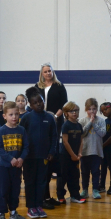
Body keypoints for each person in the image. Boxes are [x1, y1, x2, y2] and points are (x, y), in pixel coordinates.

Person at [20, 87, 57, 218]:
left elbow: (54, 136)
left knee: (42, 181)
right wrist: (22, 154)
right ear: (30, 104)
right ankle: (31, 207)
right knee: (30, 181)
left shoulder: (50, 118)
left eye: (40, 101)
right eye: (35, 103)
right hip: (29, 157)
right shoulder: (26, 118)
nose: (39, 104)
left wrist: (52, 151)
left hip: (44, 157)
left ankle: (39, 205)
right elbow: (21, 136)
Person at [36, 63, 68, 208]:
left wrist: (55, 116)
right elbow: (34, 103)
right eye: (46, 71)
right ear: (42, 74)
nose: (48, 73)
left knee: (53, 144)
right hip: (41, 120)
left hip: (56, 119)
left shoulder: (59, 86)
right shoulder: (37, 86)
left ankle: (53, 169)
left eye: (50, 71)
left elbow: (64, 104)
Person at [0, 102, 28, 219]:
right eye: (11, 114)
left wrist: (21, 159)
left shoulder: (22, 130)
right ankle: (1, 213)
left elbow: (26, 147)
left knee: (15, 189)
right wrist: (10, 159)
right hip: (4, 167)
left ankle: (13, 212)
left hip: (17, 167)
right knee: (3, 190)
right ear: (4, 116)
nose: (14, 117)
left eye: (16, 114)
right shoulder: (1, 130)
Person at [58, 102, 85, 204]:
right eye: (72, 111)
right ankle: (60, 196)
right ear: (66, 113)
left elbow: (81, 141)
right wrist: (72, 155)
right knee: (63, 176)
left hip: (75, 157)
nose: (74, 113)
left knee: (75, 176)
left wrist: (79, 153)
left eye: (76, 110)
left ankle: (75, 195)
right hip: (65, 156)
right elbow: (65, 142)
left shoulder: (79, 126)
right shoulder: (66, 125)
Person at [79, 98, 106, 200]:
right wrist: (90, 122)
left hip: (96, 151)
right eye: (89, 109)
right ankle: (85, 190)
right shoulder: (82, 121)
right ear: (86, 109)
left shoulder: (101, 121)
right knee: (85, 172)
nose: (92, 111)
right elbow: (82, 133)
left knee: (95, 172)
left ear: (97, 109)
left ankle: (95, 190)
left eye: (94, 109)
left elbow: (102, 133)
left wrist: (94, 123)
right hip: (85, 151)